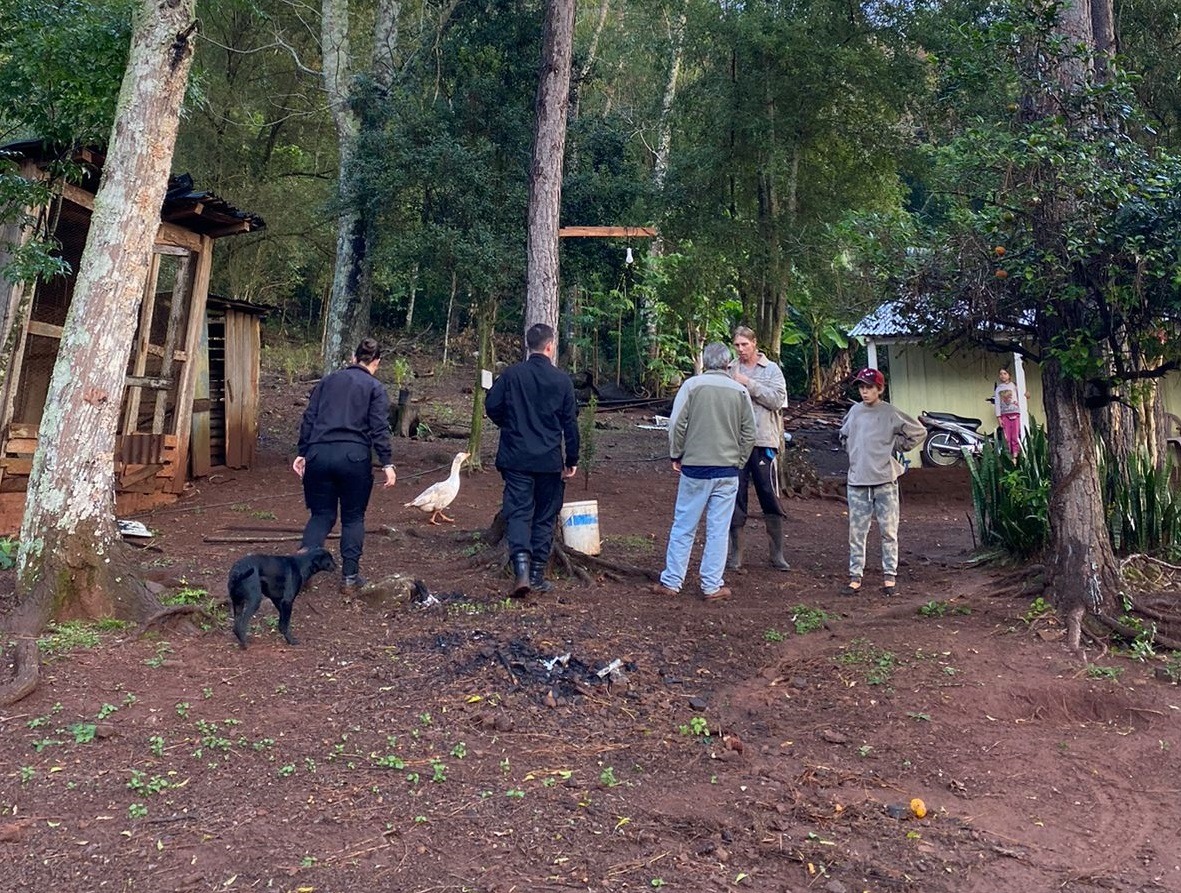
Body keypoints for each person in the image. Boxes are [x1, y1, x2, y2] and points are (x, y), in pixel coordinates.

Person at [651, 342, 757, 602]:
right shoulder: (739, 391)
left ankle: (672, 580)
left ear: (705, 361)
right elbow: (750, 432)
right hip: (728, 470)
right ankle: (711, 585)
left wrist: (677, 453)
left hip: (696, 467)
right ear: (726, 363)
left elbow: (676, 423)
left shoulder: (692, 386)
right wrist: (739, 460)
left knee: (684, 525)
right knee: (718, 529)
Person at [293, 337, 397, 592]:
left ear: (353, 357)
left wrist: (302, 452)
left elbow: (310, 418)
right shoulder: (375, 387)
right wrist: (387, 462)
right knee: (353, 518)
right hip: (354, 458)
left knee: (321, 515)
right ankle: (350, 578)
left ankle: (302, 571)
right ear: (376, 362)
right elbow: (379, 428)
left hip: (318, 454)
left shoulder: (327, 381)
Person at [486, 323, 579, 597]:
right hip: (549, 461)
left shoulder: (512, 376)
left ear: (528, 346)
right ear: (550, 346)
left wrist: (509, 423)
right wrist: (571, 458)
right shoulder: (562, 381)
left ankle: (522, 572)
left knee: (518, 513)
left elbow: (492, 406)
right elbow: (570, 424)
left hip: (516, 458)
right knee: (545, 516)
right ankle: (537, 573)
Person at [839, 367, 925, 596]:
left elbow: (918, 432)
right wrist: (853, 454)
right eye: (861, 387)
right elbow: (843, 435)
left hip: (885, 480)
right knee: (856, 532)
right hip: (857, 480)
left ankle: (889, 578)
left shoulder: (890, 412)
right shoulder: (854, 412)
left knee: (888, 531)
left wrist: (897, 445)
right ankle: (855, 577)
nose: (864, 392)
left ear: (880, 389)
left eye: (869, 387)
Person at [727, 325, 790, 572]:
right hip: (736, 443)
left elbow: (777, 400)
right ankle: (737, 554)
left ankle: (777, 554)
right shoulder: (729, 368)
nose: (741, 349)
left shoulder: (771, 369)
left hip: (764, 441)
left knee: (769, 495)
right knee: (736, 495)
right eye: (737, 345)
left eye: (745, 344)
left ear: (755, 344)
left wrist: (748, 384)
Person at [993, 367, 1023, 458]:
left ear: (1009, 375)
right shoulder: (998, 388)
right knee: (1007, 438)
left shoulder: (1014, 386)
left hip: (1015, 414)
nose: (1002, 376)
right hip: (1004, 415)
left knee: (1015, 436)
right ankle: (1009, 457)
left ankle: (1015, 457)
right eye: (1001, 374)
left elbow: (1023, 395)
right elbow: (997, 403)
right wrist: (999, 417)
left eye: (1005, 373)